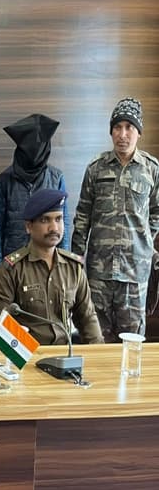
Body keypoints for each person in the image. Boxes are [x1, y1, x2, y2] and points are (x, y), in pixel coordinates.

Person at [72, 98, 159, 342]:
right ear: (111, 131)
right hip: (99, 272)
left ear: (138, 132)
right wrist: (76, 260)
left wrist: (143, 240)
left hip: (135, 274)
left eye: (129, 127)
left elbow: (156, 212)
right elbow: (82, 216)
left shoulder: (151, 169)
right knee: (95, 337)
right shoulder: (96, 168)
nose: (122, 134)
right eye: (117, 127)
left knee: (132, 340)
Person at [0, 189, 103, 345]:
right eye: (45, 220)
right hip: (27, 353)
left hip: (65, 352)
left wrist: (98, 353)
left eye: (58, 219)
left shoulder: (73, 267)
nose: (54, 228)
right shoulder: (11, 269)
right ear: (29, 226)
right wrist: (25, 351)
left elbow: (87, 318)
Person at [0, 114, 70, 269]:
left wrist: (64, 265)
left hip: (47, 262)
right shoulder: (6, 180)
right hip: (13, 261)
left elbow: (64, 223)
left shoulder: (56, 178)